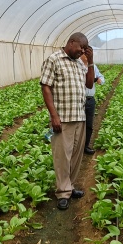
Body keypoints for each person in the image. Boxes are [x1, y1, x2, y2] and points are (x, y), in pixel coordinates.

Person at [40, 32, 95, 210]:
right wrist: (54, 115)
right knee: (62, 157)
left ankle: (70, 186)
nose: (82, 52)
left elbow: (89, 84)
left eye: (85, 50)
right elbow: (46, 87)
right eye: (81, 48)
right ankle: (63, 192)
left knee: (76, 156)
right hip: (63, 118)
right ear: (71, 42)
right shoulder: (54, 59)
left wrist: (90, 61)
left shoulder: (79, 63)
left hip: (80, 116)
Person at [80, 49, 105, 155]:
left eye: (88, 54)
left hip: (90, 100)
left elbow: (101, 77)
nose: (86, 56)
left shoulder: (93, 67)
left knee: (89, 125)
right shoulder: (76, 66)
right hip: (79, 100)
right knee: (78, 125)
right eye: (84, 54)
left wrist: (99, 80)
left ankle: (86, 146)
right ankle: (77, 147)